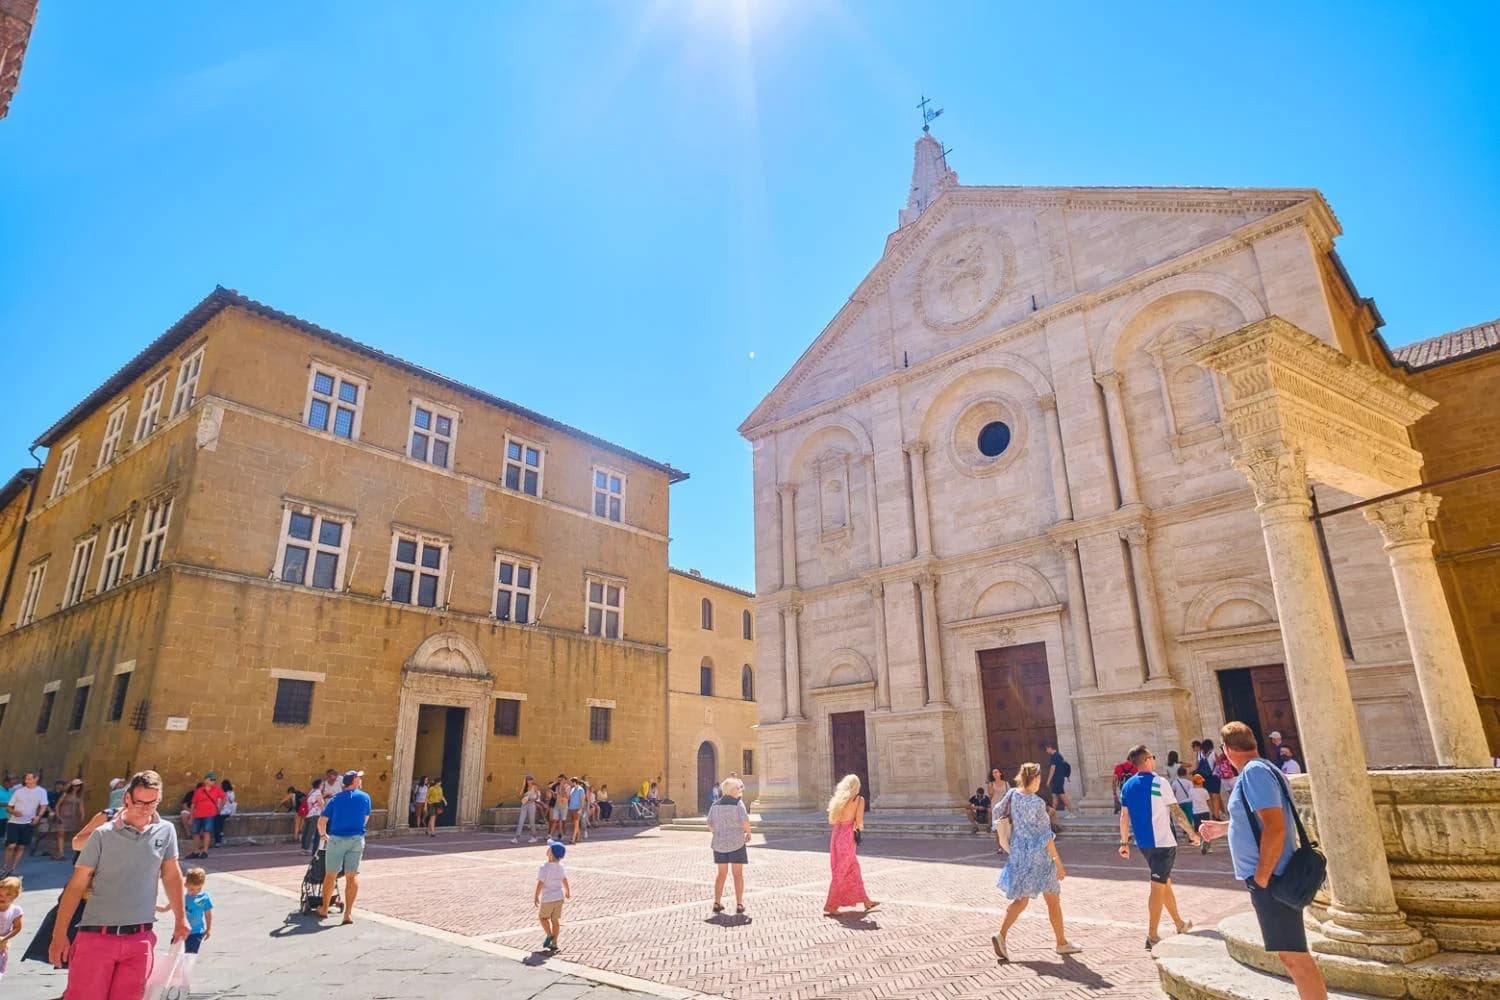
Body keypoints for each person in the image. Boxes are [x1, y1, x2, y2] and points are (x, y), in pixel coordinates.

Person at [1200, 721, 1327, 1000]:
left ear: (1227, 749)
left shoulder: (1255, 772)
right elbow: (1258, 819)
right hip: (1272, 875)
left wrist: (1261, 876)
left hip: (1272, 876)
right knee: (1289, 953)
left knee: (1294, 956)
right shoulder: (1263, 769)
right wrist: (1223, 828)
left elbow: (1275, 827)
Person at [49, 770, 188, 998]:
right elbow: (76, 886)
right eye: (139, 802)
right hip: (96, 938)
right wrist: (59, 935)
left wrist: (181, 918)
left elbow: (171, 874)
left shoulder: (166, 830)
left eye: (151, 803)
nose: (144, 809)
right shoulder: (102, 835)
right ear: (126, 799)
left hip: (140, 939)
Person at [991, 763, 1081, 960]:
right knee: (1053, 900)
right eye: (1039, 778)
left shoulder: (1013, 794)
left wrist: (1006, 834)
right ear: (1035, 778)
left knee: (1021, 900)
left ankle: (1001, 934)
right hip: (1039, 858)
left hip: (1018, 855)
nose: (1040, 781)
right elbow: (1046, 836)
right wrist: (1058, 862)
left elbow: (997, 811)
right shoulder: (1037, 803)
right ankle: (1061, 943)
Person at [1118, 744, 1200, 950]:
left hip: (1144, 844)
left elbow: (1124, 816)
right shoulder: (1159, 782)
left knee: (1165, 883)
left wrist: (1124, 842)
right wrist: (1192, 833)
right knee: (1157, 887)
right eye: (1152, 756)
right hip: (1163, 843)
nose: (1154, 759)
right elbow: (1176, 811)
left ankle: (1179, 923)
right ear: (1146, 761)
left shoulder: (1127, 786)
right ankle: (1152, 935)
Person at [317, 770, 371, 924]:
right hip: (356, 839)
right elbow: (364, 820)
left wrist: (323, 835)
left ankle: (325, 909)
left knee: (330, 875)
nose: (360, 780)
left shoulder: (335, 799)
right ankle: (348, 914)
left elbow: (321, 822)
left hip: (336, 839)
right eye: (359, 778)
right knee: (352, 876)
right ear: (354, 781)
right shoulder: (365, 797)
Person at [823, 774, 879, 916]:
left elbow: (832, 821)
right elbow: (859, 821)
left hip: (836, 836)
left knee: (854, 869)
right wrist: (859, 830)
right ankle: (830, 905)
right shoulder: (859, 800)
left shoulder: (838, 801)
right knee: (840, 872)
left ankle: (866, 901)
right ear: (857, 786)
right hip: (848, 837)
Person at [706, 778, 752, 914]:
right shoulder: (738, 804)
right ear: (732, 790)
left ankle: (717, 902)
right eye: (738, 788)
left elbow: (709, 823)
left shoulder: (715, 805)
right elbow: (745, 821)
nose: (740, 791)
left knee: (721, 874)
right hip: (737, 843)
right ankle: (739, 904)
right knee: (738, 874)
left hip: (719, 844)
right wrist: (748, 833)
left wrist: (717, 833)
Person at [158, 867, 212, 957]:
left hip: (196, 933)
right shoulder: (181, 898)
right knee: (173, 955)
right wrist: (151, 906)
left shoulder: (204, 898)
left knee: (190, 956)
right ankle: (175, 970)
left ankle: (185, 971)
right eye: (191, 889)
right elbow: (165, 908)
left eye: (198, 889)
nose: (195, 892)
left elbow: (208, 913)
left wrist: (208, 928)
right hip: (181, 932)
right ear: (185, 885)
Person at [3, 773, 49, 875]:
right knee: (11, 845)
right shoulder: (18, 792)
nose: (26, 781)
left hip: (28, 823)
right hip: (14, 822)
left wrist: (38, 817)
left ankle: (13, 868)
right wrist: (14, 812)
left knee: (21, 847)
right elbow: (9, 807)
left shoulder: (41, 792)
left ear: (36, 779)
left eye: (29, 779)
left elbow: (43, 805)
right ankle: (4, 868)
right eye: (25, 779)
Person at [534, 840, 570, 952]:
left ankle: (549, 935)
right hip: (559, 897)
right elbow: (564, 879)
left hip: (548, 898)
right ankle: (554, 943)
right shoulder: (561, 867)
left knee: (543, 918)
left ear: (551, 853)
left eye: (549, 848)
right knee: (555, 921)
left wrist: (536, 895)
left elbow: (541, 883)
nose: (547, 849)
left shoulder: (544, 867)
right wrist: (568, 891)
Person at [188, 773, 226, 860]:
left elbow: (224, 798)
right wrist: (191, 816)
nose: (213, 781)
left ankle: (205, 851)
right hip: (198, 814)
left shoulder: (217, 790)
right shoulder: (199, 791)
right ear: (206, 780)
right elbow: (193, 804)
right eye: (211, 779)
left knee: (207, 832)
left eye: (214, 780)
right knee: (195, 833)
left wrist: (220, 808)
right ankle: (196, 851)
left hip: (210, 814)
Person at [54, 780, 87, 861]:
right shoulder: (65, 795)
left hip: (72, 818)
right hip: (62, 816)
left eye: (78, 786)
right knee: (61, 834)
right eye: (75, 785)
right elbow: (58, 805)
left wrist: (82, 816)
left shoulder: (79, 797)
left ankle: (57, 851)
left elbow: (81, 807)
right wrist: (58, 815)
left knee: (66, 835)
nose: (76, 787)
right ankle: (61, 854)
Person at [1196, 739, 1225, 819]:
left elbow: (1197, 767)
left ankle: (1212, 814)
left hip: (1204, 779)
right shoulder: (1213, 754)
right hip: (1214, 777)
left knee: (1209, 797)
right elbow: (1219, 766)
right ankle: (1217, 816)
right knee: (1215, 797)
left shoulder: (1199, 754)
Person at [0, 875, 22, 980]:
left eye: (8, 894)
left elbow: (17, 927)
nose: (2, 897)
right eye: (0, 894)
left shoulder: (16, 910)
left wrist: (5, 938)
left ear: (15, 896)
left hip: (1, 945)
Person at [1044, 742, 1073, 816]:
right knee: (1054, 796)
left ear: (1050, 748)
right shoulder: (1059, 756)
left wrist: (1048, 780)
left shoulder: (1054, 756)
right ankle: (1051, 814)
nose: (1046, 751)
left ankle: (1071, 812)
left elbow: (1052, 769)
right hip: (1059, 779)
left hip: (1057, 779)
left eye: (1046, 749)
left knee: (1062, 796)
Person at [513, 776, 542, 843]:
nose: (529, 781)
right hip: (524, 805)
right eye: (528, 780)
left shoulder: (534, 787)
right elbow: (520, 796)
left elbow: (538, 796)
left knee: (532, 821)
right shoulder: (525, 787)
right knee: (521, 820)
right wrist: (523, 786)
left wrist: (532, 800)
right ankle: (516, 837)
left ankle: (534, 837)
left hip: (532, 805)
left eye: (530, 779)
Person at [1189, 775, 1213, 853]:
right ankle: (1208, 846)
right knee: (1207, 829)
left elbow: (1190, 800)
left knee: (1198, 829)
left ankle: (1201, 842)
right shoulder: (1204, 791)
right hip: (1205, 811)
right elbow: (1208, 801)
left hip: (1196, 812)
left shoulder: (1191, 791)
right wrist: (1211, 811)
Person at [301, 778, 325, 853]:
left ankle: (305, 847)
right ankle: (312, 849)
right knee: (315, 833)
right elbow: (321, 804)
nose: (323, 786)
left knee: (307, 831)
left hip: (308, 814)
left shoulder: (311, 791)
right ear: (320, 785)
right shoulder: (318, 793)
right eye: (322, 785)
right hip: (316, 815)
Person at [213, 778, 236, 848]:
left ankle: (218, 840)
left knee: (217, 824)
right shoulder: (231, 793)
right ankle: (220, 833)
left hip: (221, 811)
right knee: (219, 821)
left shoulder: (222, 793)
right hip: (227, 812)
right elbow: (232, 801)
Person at [567, 778, 586, 844]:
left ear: (574, 782)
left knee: (576, 823)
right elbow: (569, 798)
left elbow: (582, 800)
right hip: (572, 808)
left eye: (571, 782)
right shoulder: (572, 789)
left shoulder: (581, 789)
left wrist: (580, 809)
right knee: (575, 824)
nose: (570, 783)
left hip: (577, 808)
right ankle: (578, 837)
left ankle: (573, 838)